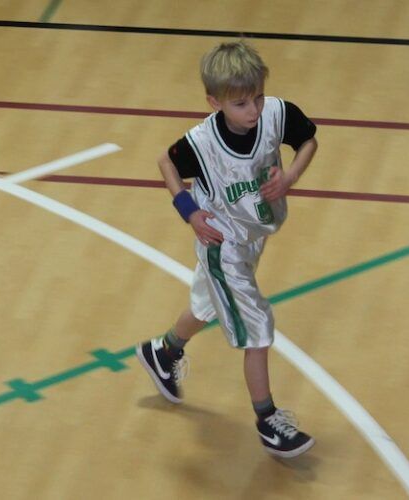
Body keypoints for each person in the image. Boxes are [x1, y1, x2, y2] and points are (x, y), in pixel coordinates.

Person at [136, 40, 318, 458]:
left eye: (256, 97)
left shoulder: (275, 113)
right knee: (257, 327)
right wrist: (189, 212)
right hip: (223, 245)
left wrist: (290, 176)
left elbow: (308, 140)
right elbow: (165, 161)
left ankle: (162, 353)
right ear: (214, 101)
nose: (253, 110)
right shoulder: (200, 144)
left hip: (253, 235)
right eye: (240, 104)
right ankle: (268, 421)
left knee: (206, 305)